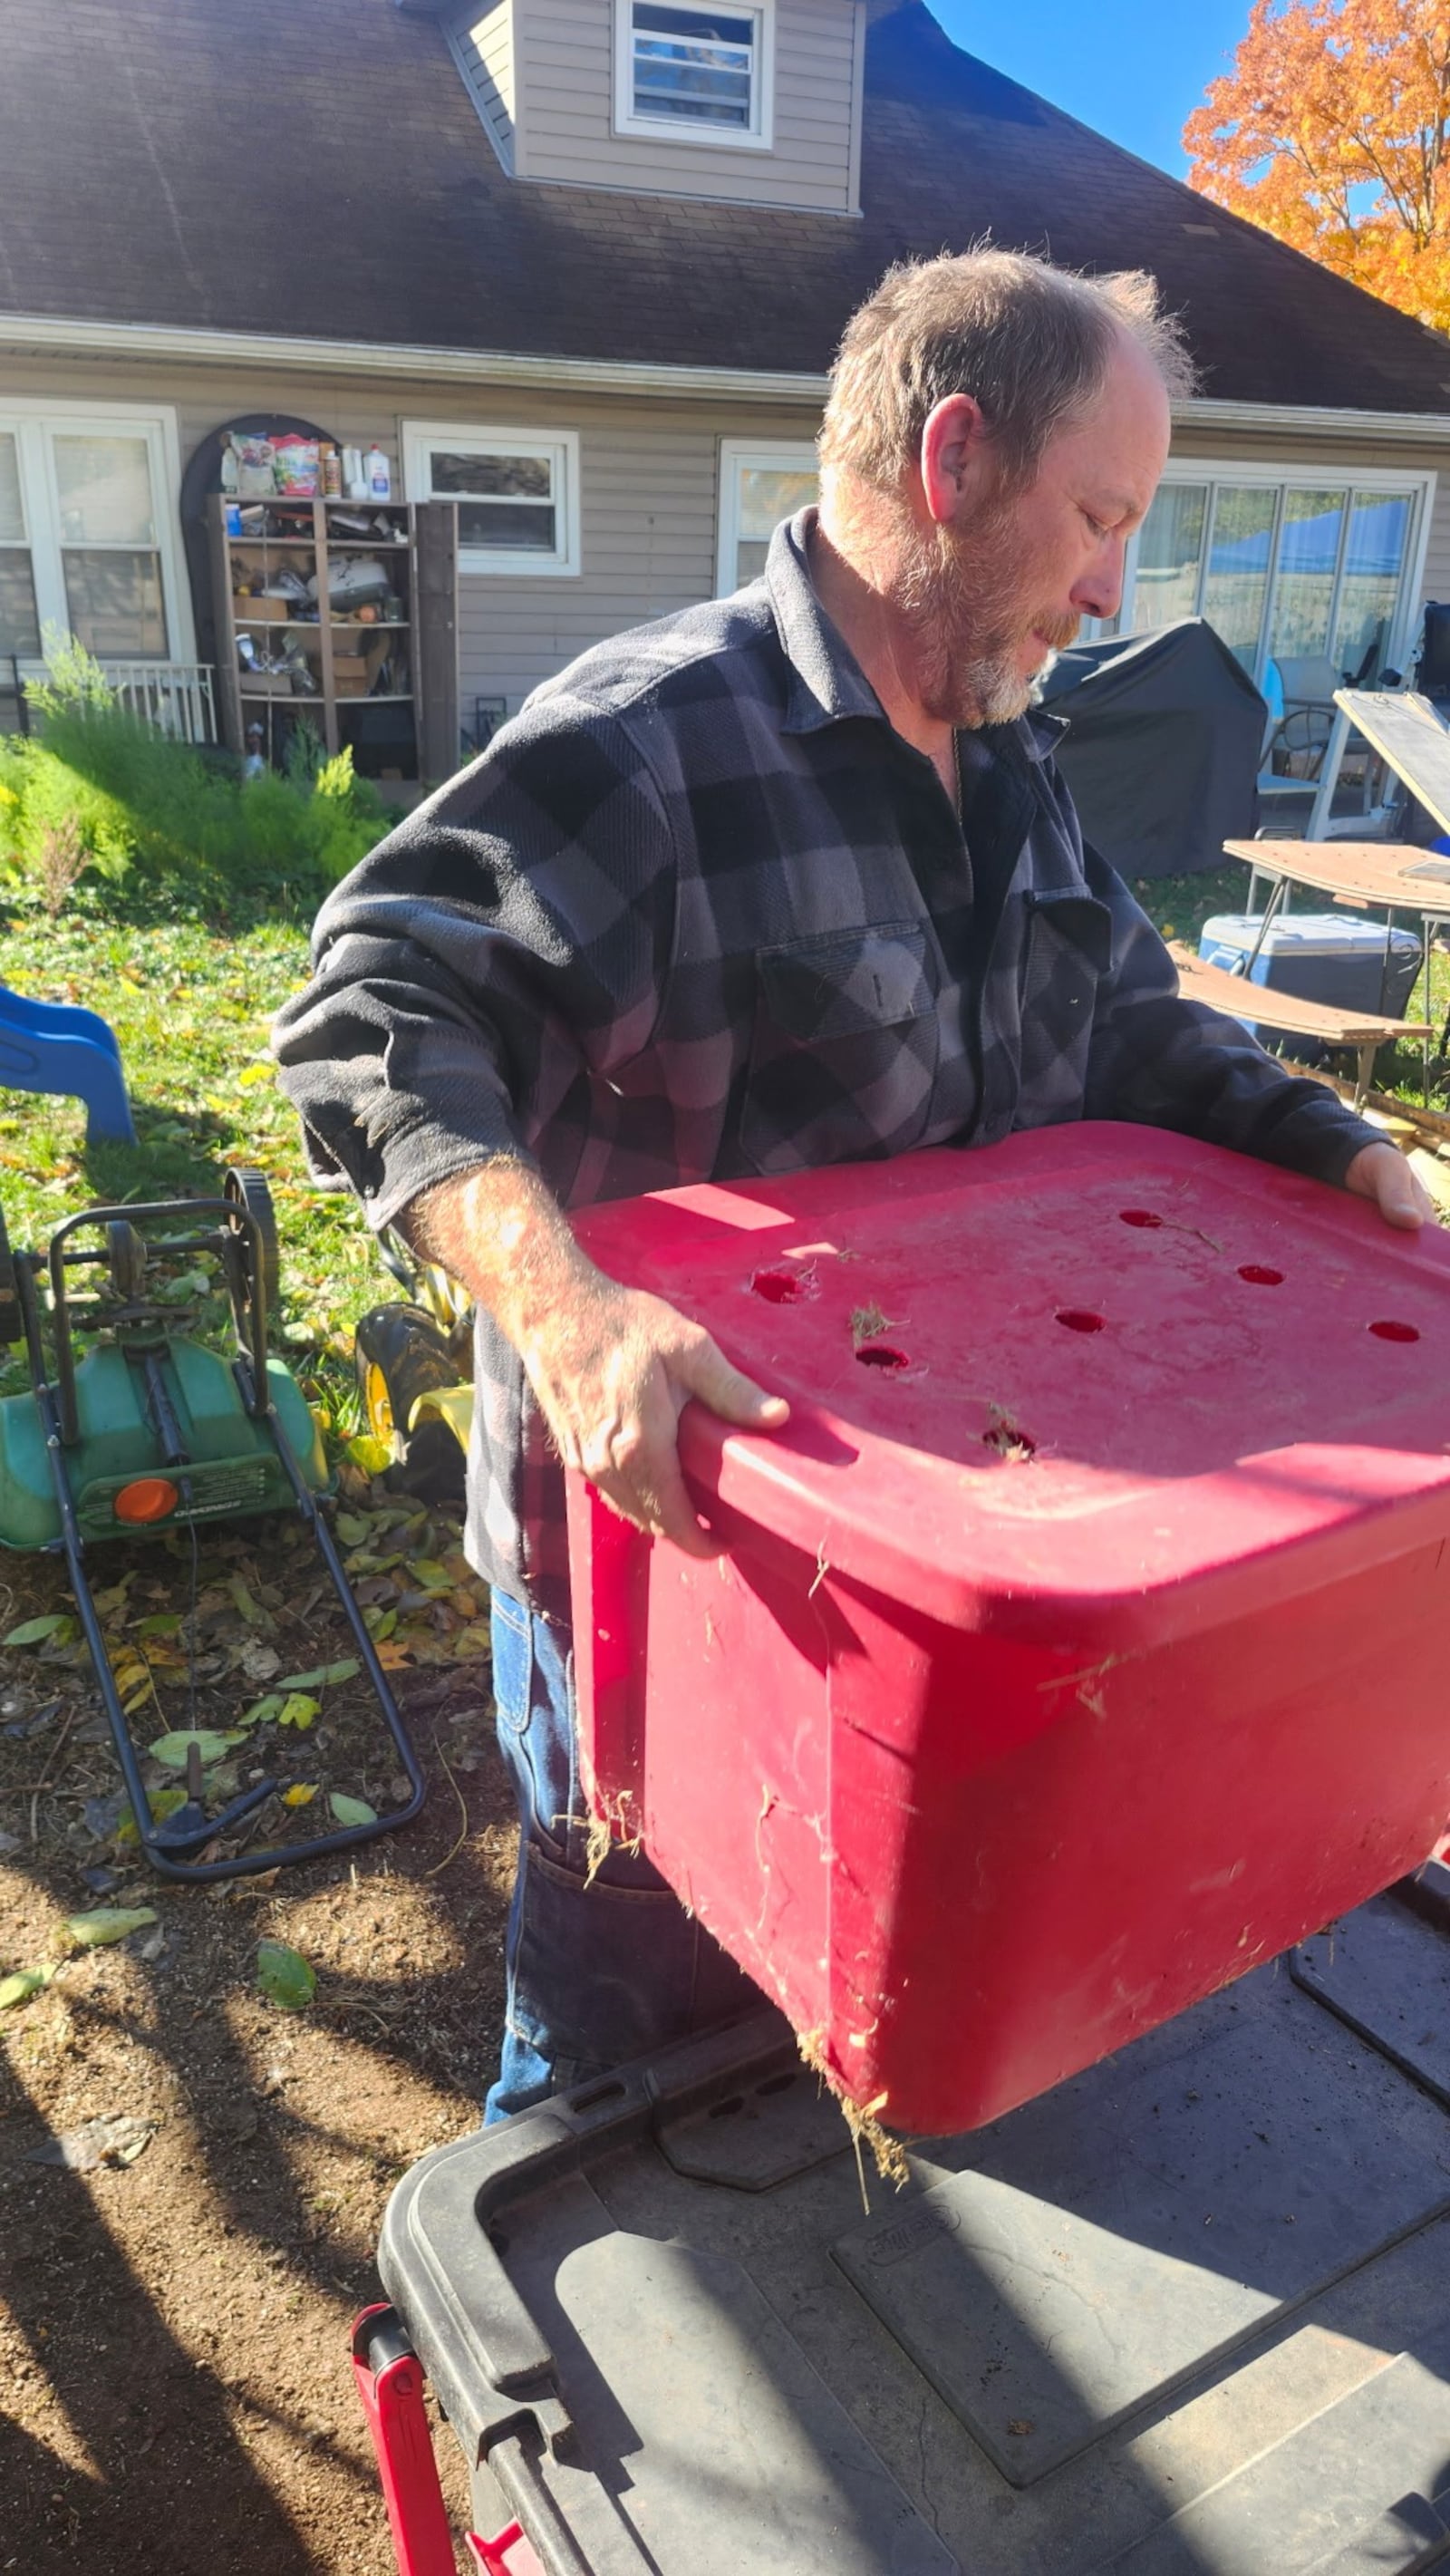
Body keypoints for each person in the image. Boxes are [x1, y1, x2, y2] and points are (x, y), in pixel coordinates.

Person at [274, 249, 1429, 2120]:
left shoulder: (1011, 760)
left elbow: (1137, 1028)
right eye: (1097, 517)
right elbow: (370, 1007)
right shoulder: (650, 736)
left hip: (947, 1584)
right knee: (622, 2079)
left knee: (898, 2028)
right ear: (954, 454)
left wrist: (1350, 1155)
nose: (1111, 587)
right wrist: (567, 1313)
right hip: (672, 1584)